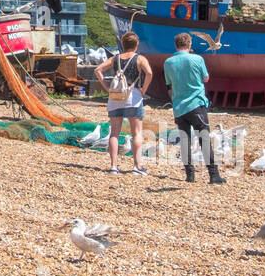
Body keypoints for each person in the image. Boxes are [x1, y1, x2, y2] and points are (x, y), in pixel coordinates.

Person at [162, 33, 226, 185]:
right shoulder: (198, 59)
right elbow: (206, 78)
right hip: (196, 104)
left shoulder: (168, 62)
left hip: (179, 107)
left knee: (185, 141)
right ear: (189, 44)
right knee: (204, 139)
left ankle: (190, 175)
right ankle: (214, 175)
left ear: (176, 45)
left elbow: (169, 84)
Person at [95, 32, 152, 174]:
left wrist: (107, 88)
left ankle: (114, 166)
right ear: (136, 44)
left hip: (115, 98)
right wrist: (143, 90)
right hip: (133, 97)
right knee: (136, 133)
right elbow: (149, 73)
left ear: (123, 44)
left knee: (114, 133)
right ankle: (137, 167)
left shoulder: (115, 59)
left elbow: (98, 70)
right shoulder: (140, 59)